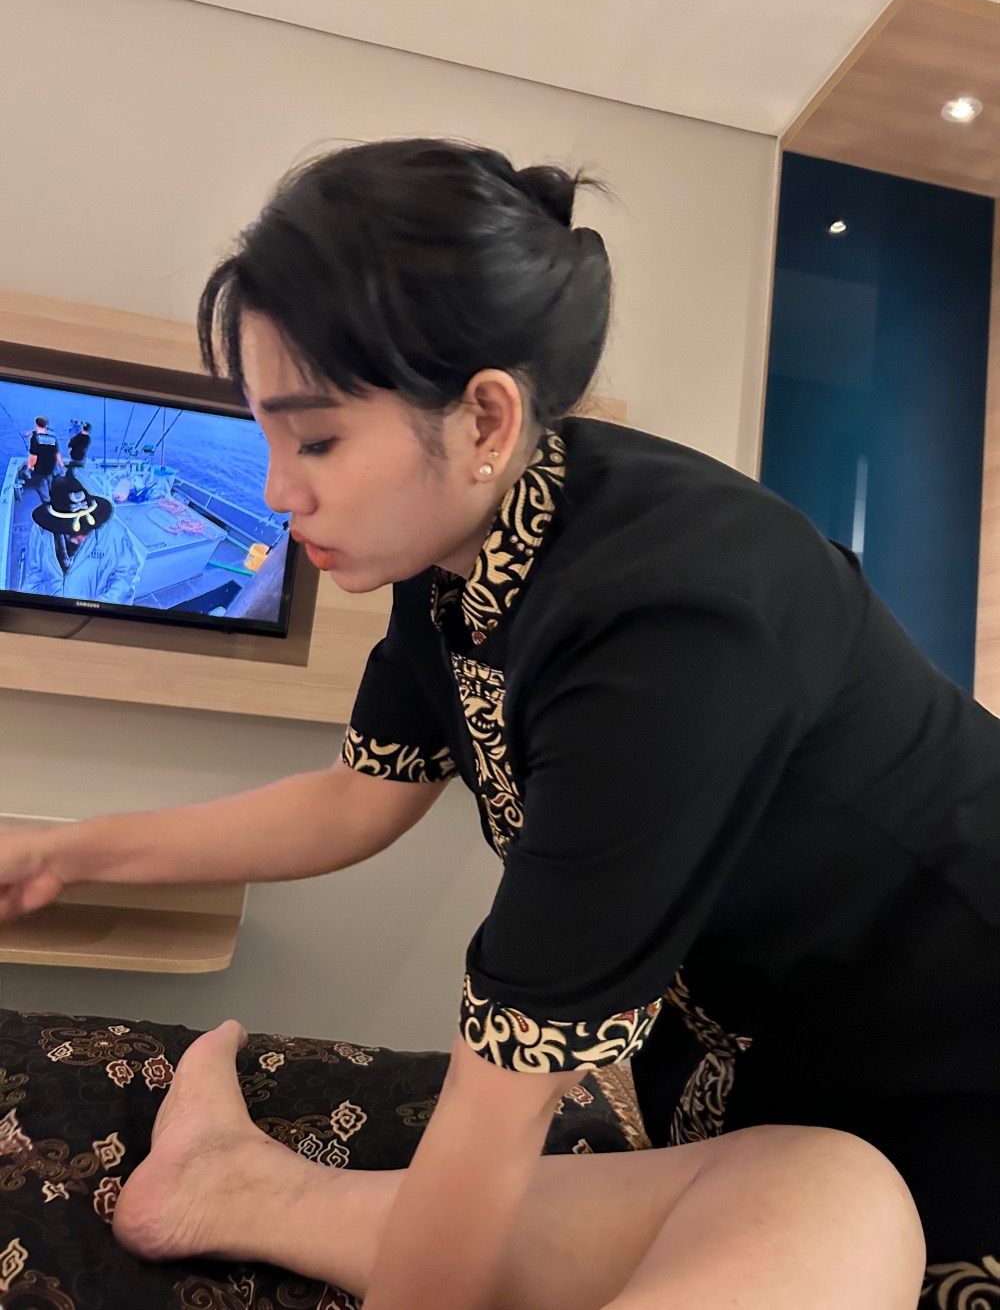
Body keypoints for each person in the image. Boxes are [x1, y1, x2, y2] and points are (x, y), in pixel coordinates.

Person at [2, 137, 976, 1310]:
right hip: (780, 1044)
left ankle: (243, 1186)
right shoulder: (464, 546)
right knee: (810, 1191)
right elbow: (356, 798)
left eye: (315, 439)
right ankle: (236, 1185)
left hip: (951, 1048)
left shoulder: (668, 629)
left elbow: (503, 1086)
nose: (275, 491)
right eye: (266, 437)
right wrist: (65, 852)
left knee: (845, 1202)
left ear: (483, 418)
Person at [22, 473, 141, 605]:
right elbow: (33, 574)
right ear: (56, 524)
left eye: (86, 529)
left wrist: (101, 606)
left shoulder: (116, 532)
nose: (80, 537)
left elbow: (126, 574)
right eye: (70, 532)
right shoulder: (39, 532)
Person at [23, 414, 64, 506]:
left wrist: (29, 469)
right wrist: (61, 466)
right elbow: (57, 453)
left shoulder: (35, 438)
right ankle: (53, 500)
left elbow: (33, 456)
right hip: (51, 467)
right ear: (47, 425)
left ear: (36, 424)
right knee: (49, 485)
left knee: (41, 488)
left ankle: (47, 505)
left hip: (40, 468)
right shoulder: (53, 436)